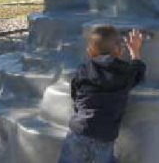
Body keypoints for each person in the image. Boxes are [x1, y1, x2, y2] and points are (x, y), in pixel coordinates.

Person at [58, 25, 146, 163]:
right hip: (104, 136)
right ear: (120, 50)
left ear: (89, 52)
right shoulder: (124, 73)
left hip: (79, 130)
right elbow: (138, 72)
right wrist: (135, 52)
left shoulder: (83, 70)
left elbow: (75, 94)